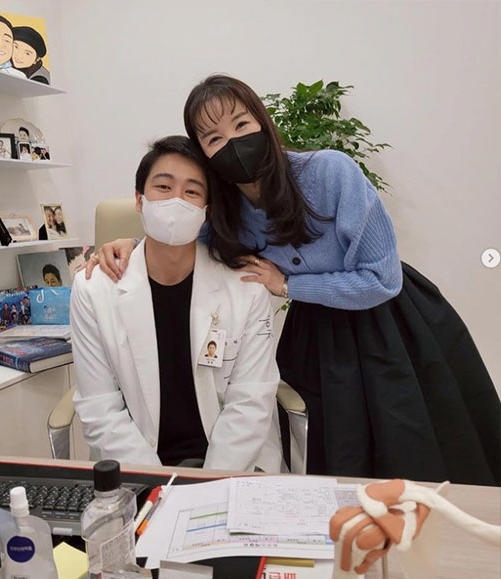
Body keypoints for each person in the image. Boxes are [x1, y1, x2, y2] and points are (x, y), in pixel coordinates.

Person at [90, 75, 500, 486]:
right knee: (336, 455)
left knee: (415, 443)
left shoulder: (330, 171)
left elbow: (382, 278)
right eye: (214, 138)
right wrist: (126, 244)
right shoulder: (226, 213)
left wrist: (288, 285)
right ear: (205, 154)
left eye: (241, 125)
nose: (232, 142)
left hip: (389, 320)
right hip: (317, 333)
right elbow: (178, 236)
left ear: (262, 121)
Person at [71, 135, 282, 471]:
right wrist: (158, 486)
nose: (176, 202)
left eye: (192, 192)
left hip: (230, 467)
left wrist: (207, 486)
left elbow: (251, 401)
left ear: (206, 211)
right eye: (164, 187)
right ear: (139, 200)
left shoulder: (246, 287)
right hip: (137, 469)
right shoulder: (93, 289)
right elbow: (100, 408)